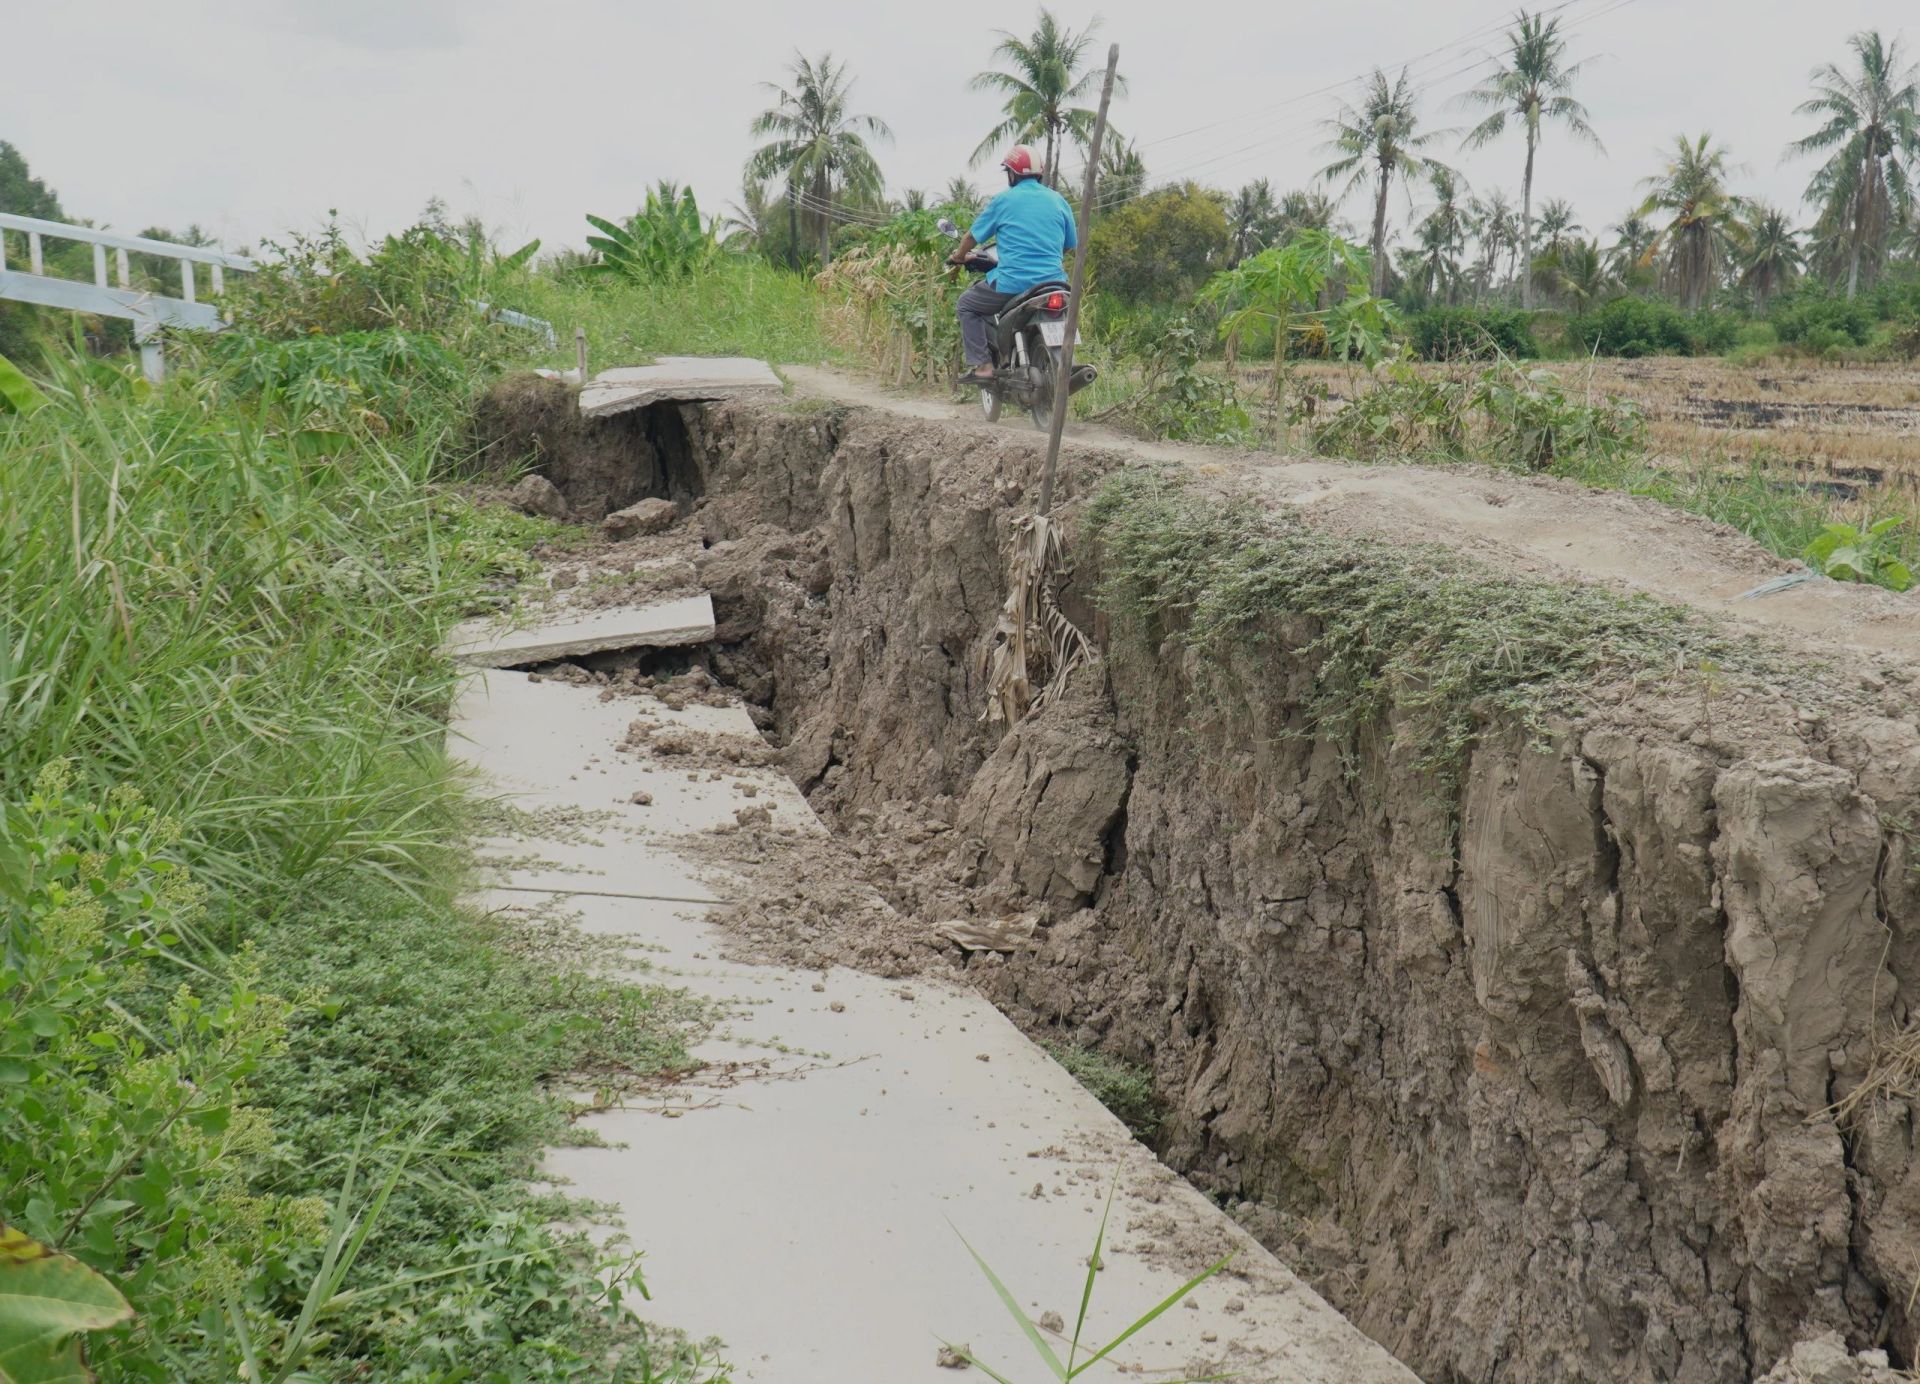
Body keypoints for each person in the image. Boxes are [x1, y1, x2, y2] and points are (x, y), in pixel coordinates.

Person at [948, 145, 1076, 382]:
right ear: (1040, 173)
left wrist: (959, 256)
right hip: (1055, 283)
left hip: (1013, 282)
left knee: (967, 304)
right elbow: (1069, 245)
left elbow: (971, 237)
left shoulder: (1004, 200)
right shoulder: (1058, 200)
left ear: (1012, 174)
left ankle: (983, 365)